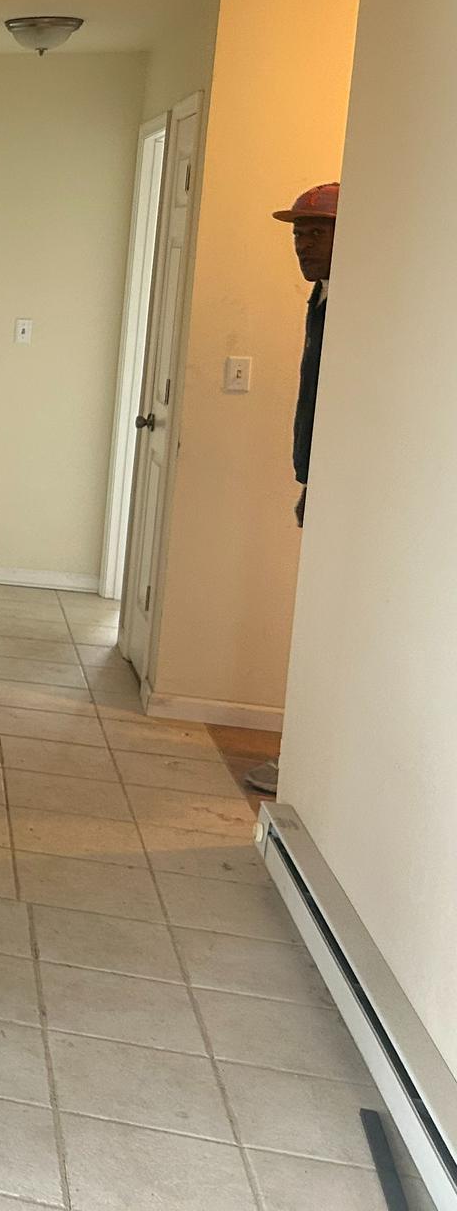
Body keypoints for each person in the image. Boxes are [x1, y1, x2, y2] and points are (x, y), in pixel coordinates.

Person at [245, 181, 337, 797]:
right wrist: (309, 478)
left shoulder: (363, 302)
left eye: (316, 231)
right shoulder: (322, 297)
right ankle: (303, 758)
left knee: (327, 626)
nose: (303, 243)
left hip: (349, 489)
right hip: (325, 481)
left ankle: (308, 765)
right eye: (298, 232)